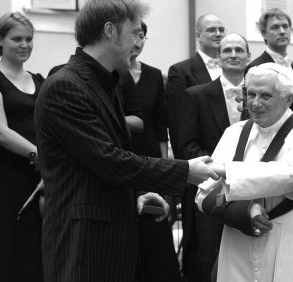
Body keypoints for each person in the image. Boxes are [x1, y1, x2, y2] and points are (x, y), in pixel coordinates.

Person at [34, 1, 218, 281]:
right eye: (134, 33)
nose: (138, 42)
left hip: (111, 240)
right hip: (83, 244)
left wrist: (138, 195)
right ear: (110, 31)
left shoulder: (106, 83)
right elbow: (108, 160)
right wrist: (184, 170)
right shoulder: (66, 85)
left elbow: (100, 165)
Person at [195, 62, 293, 282]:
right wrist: (241, 212)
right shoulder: (233, 132)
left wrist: (225, 170)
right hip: (238, 241)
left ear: (289, 99)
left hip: (292, 238)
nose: (255, 103)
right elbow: (203, 195)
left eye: (266, 96)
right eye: (251, 94)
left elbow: (290, 176)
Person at [178, 32, 251, 282]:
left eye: (239, 50)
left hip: (252, 192)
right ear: (218, 57)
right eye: (227, 50)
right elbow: (187, 146)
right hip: (212, 191)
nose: (233, 54)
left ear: (248, 57)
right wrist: (220, 172)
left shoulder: (262, 98)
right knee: (208, 258)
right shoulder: (195, 95)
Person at [164, 14, 226, 281]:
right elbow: (179, 127)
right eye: (212, 30)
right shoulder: (182, 71)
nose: (218, 34)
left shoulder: (237, 70)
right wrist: (191, 166)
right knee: (201, 245)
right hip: (199, 167)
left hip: (233, 169)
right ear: (198, 35)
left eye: (222, 29)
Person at [120, 21, 183, 282]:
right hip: (118, 152)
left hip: (148, 156)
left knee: (153, 224)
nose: (137, 41)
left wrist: (162, 168)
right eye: (133, 34)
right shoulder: (111, 74)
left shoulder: (155, 74)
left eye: (141, 35)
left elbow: (160, 125)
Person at [0, 12, 44, 282]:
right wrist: (38, 154)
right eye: (17, 39)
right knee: (8, 242)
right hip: (6, 173)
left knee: (35, 244)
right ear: (0, 39)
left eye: (29, 39)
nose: (25, 44)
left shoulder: (39, 80)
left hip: (39, 173)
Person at [246, 8, 293, 115]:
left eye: (285, 26)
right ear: (264, 34)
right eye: (275, 27)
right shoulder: (255, 67)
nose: (282, 31)